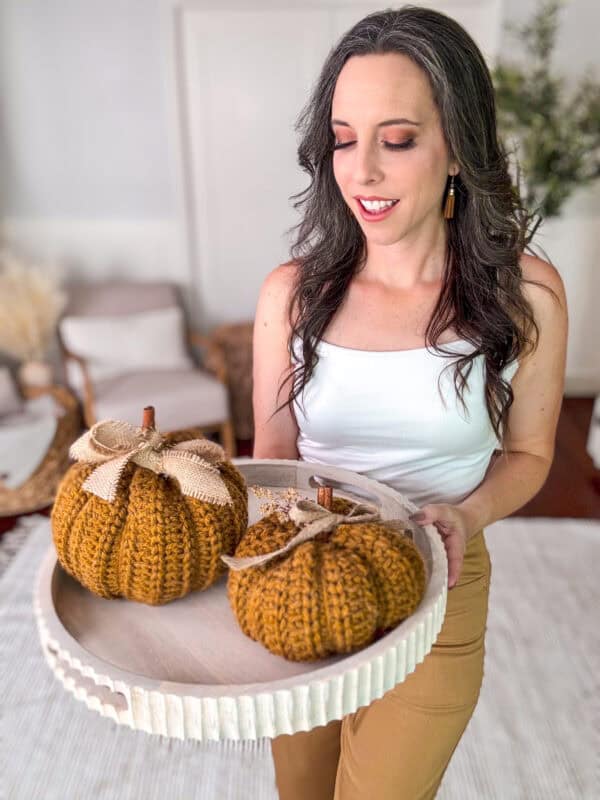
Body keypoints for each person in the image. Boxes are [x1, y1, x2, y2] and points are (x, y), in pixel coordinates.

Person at [251, 6, 568, 799]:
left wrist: (467, 515)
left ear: (458, 145)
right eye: (344, 139)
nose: (361, 172)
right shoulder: (291, 296)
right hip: (302, 576)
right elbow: (273, 450)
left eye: (396, 140)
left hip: (440, 588)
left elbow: (530, 457)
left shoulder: (524, 293)